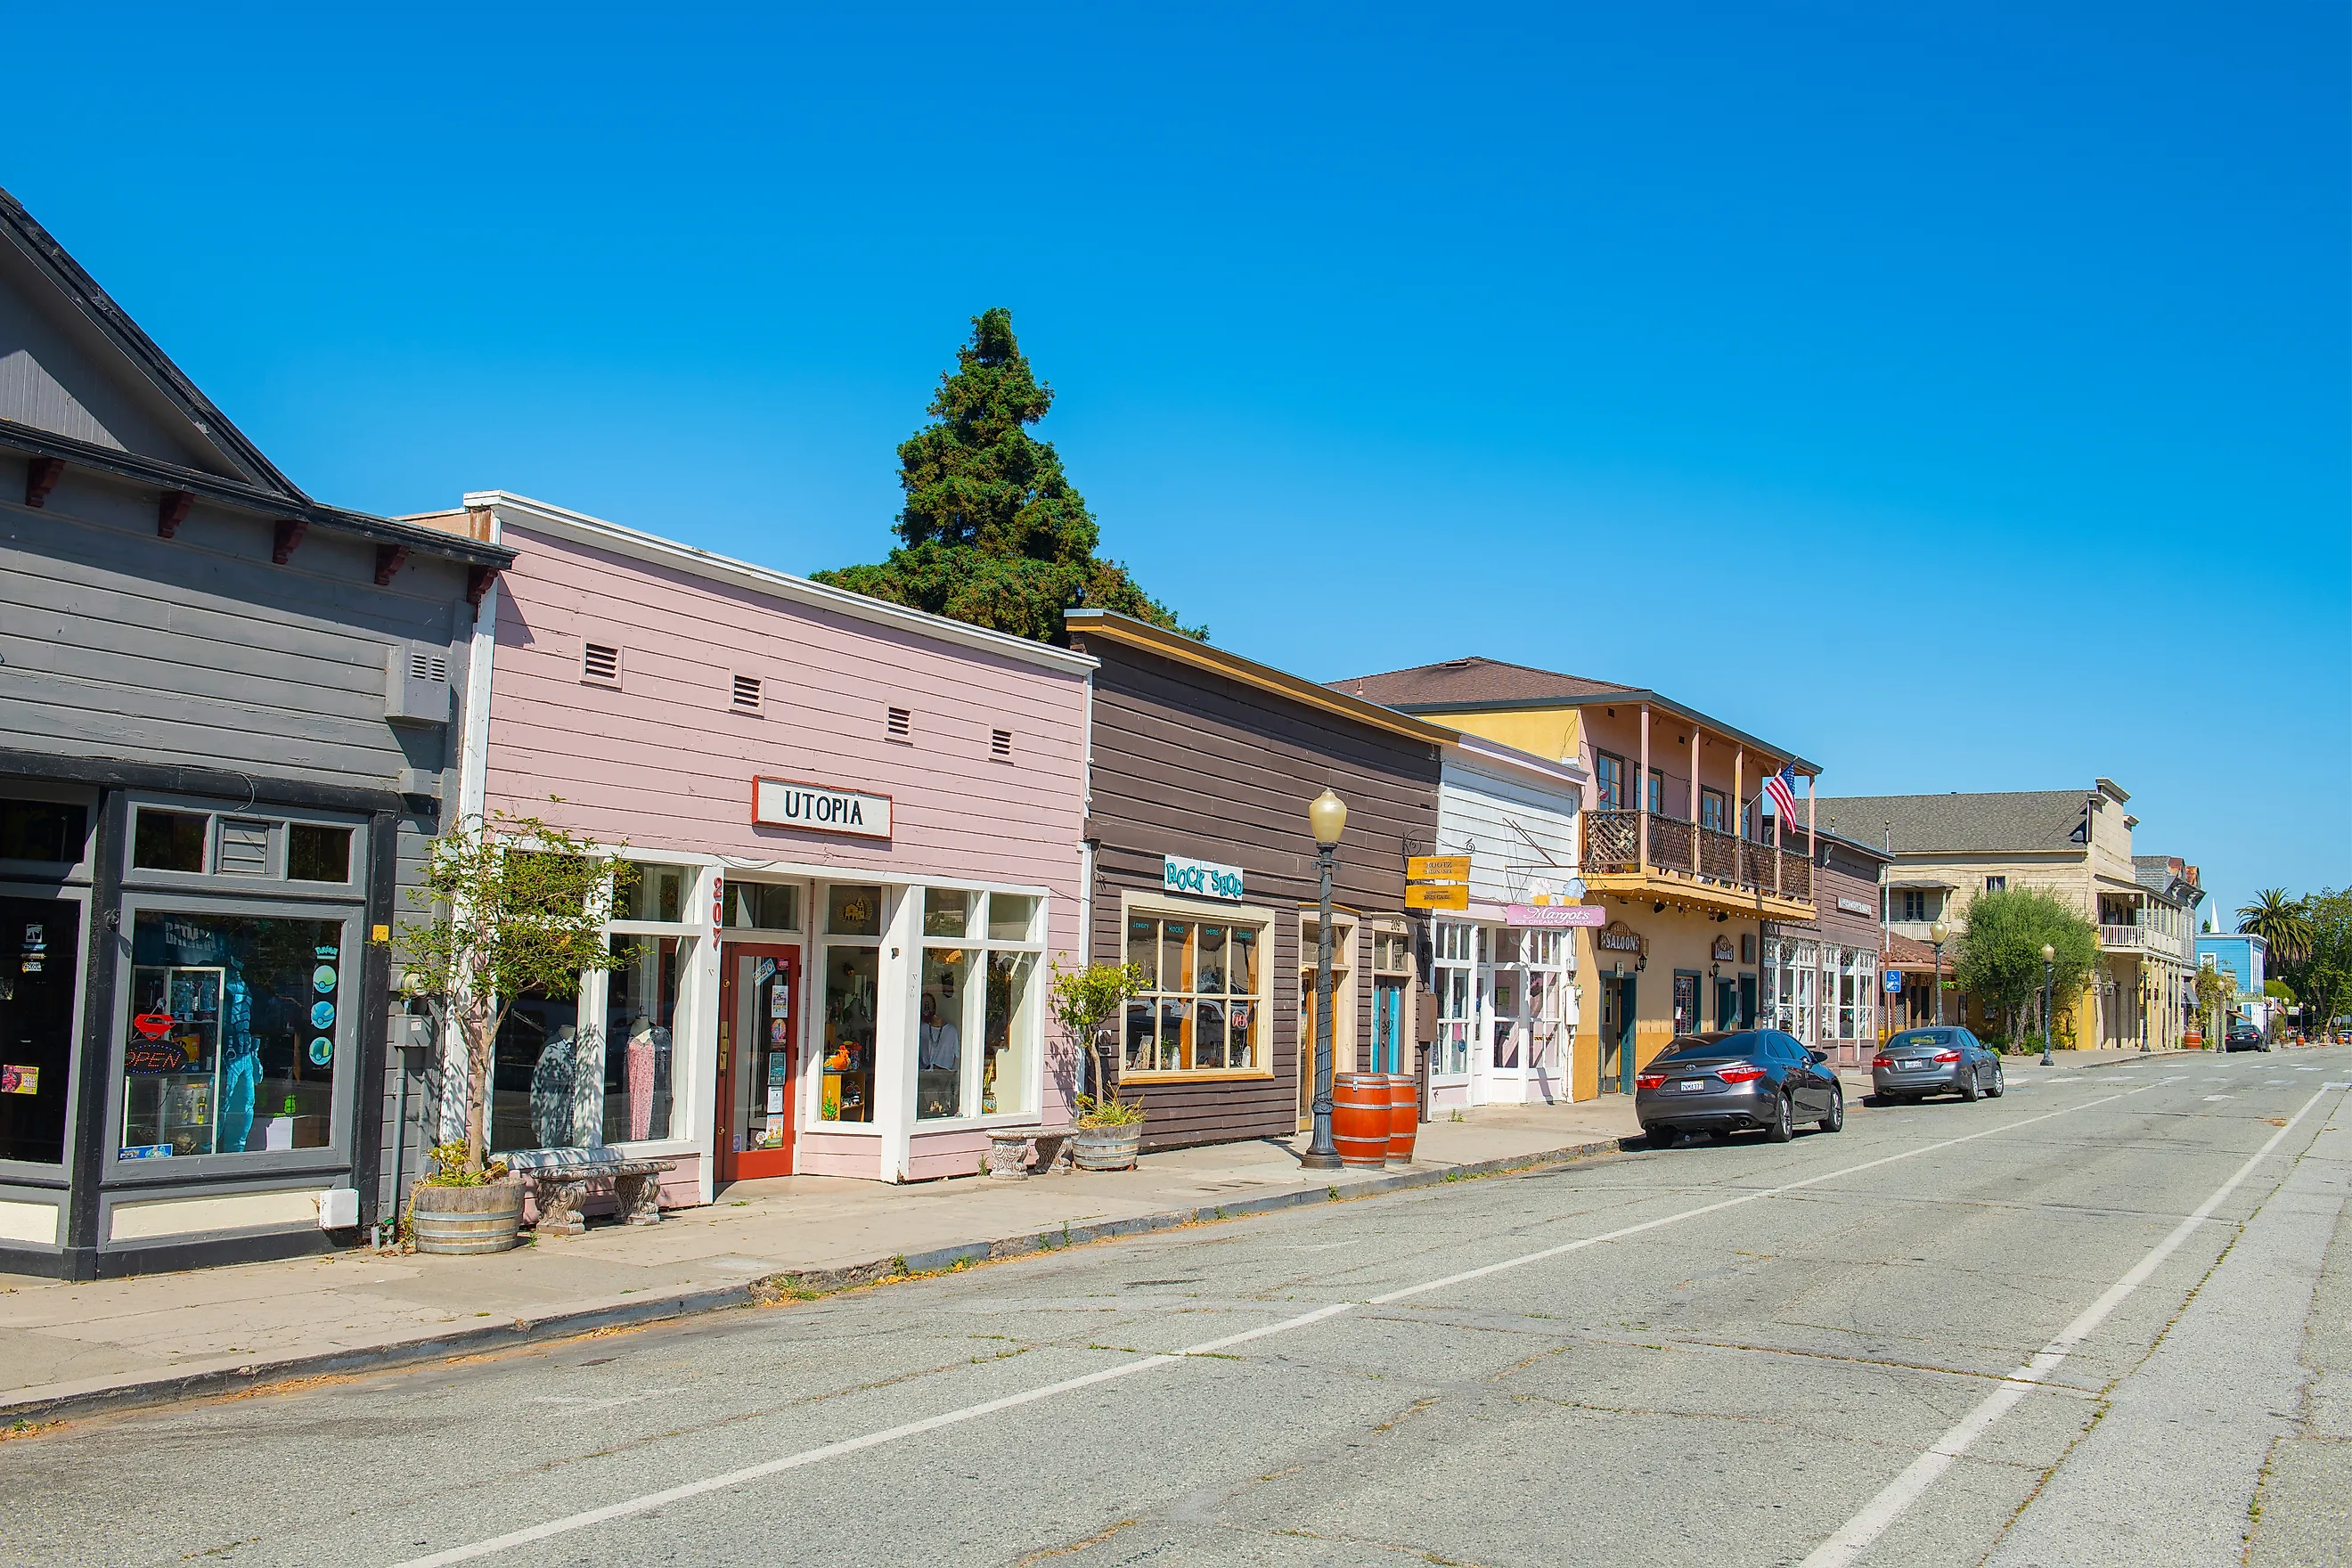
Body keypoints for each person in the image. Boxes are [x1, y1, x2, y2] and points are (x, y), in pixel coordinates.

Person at [919, 992, 960, 1073]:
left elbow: (956, 1055)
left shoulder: (952, 1030)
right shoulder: (922, 1028)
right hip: (923, 1074)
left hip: (944, 1076)